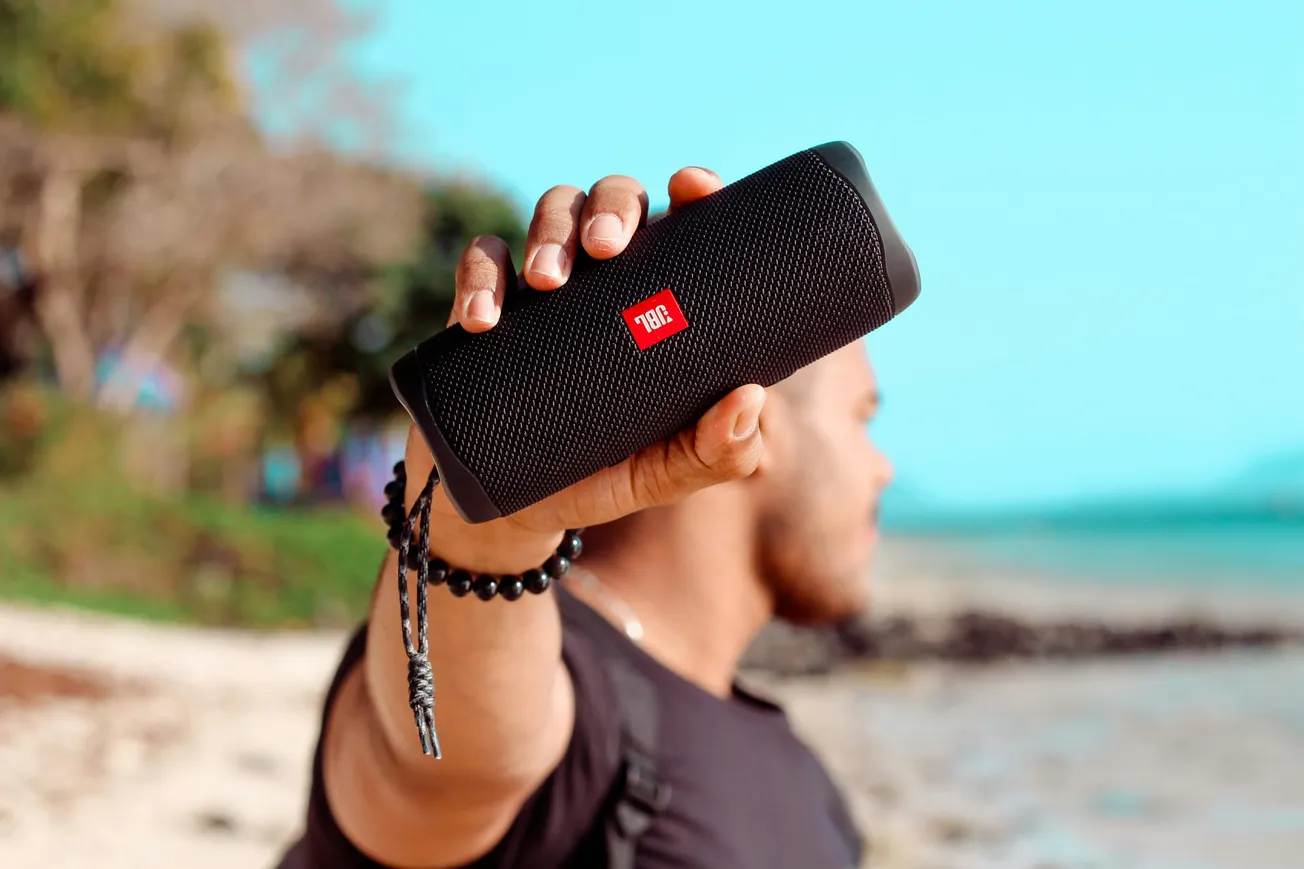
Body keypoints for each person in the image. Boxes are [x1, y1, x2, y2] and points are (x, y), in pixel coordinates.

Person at [278, 163, 894, 869]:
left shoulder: (805, 782)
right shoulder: (560, 694)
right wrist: (488, 529)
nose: (883, 468)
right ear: (756, 410)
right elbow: (438, 770)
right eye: (862, 418)